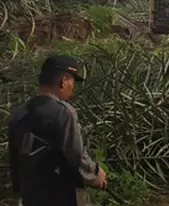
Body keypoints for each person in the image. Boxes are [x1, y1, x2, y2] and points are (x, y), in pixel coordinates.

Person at [7, 54, 108, 206]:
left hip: (30, 197)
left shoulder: (18, 112)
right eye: (72, 81)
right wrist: (95, 175)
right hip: (63, 196)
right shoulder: (64, 113)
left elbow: (14, 160)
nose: (72, 87)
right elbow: (75, 157)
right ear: (63, 80)